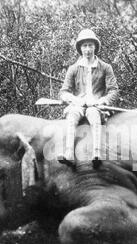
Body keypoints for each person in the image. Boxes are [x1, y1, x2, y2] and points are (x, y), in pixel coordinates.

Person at [58, 29, 119, 168]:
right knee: (72, 116)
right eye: (84, 46)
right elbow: (64, 91)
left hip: (96, 105)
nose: (87, 49)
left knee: (94, 115)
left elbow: (114, 90)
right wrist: (74, 99)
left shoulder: (105, 67)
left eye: (90, 45)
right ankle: (68, 153)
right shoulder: (73, 69)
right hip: (78, 104)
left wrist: (102, 101)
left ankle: (96, 153)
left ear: (95, 47)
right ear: (80, 48)